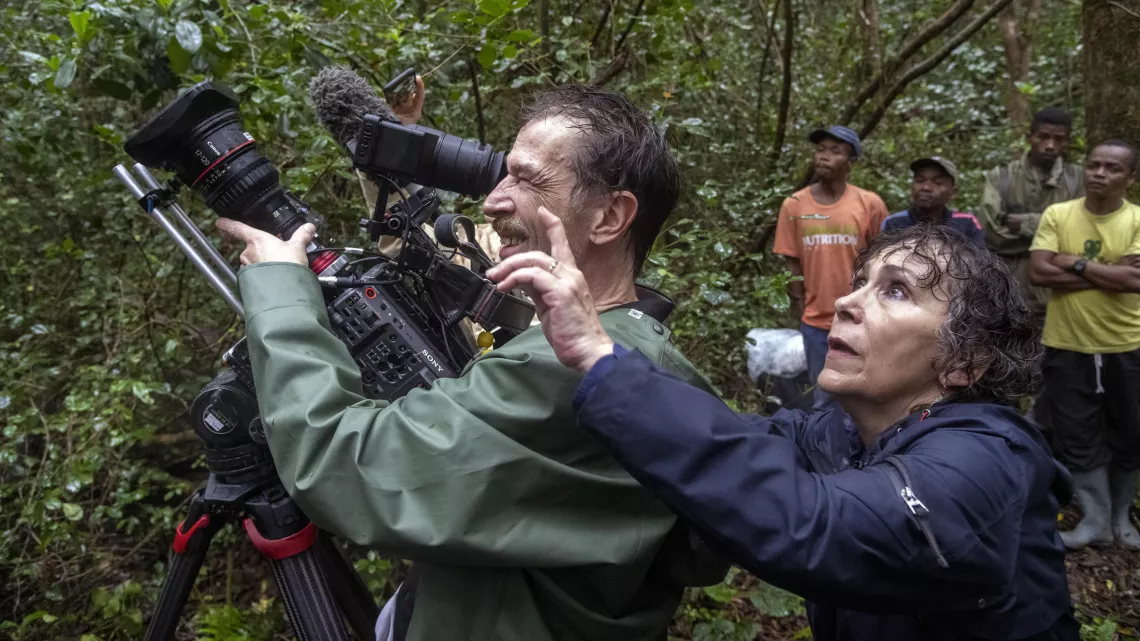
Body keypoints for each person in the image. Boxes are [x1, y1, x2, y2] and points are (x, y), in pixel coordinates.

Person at [215, 85, 728, 641]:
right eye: (501, 175)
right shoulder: (640, 355)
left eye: (528, 180)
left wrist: (280, 288)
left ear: (608, 216)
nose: (492, 200)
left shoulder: (569, 370)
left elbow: (346, 464)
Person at [489, 218, 1078, 641]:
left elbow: (819, 525)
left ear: (963, 362)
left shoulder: (988, 461)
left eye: (895, 291)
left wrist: (600, 357)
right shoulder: (837, 434)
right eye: (861, 282)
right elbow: (728, 445)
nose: (847, 303)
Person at [1029, 139, 1140, 551]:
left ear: (1130, 177)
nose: (1099, 174)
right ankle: (1095, 521)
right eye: (1094, 165)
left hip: (1127, 344)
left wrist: (1072, 262)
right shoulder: (1058, 214)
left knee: (1131, 430)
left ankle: (1120, 518)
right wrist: (1109, 273)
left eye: (1112, 168)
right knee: (1076, 431)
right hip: (1067, 343)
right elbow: (1039, 273)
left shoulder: (1137, 220)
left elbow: (1137, 282)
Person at [774, 125, 889, 411]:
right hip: (815, 323)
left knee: (864, 393)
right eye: (821, 150)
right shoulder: (795, 204)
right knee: (824, 397)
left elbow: (884, 259)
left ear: (850, 163)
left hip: (862, 317)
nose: (824, 157)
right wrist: (800, 307)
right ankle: (827, 453)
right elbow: (792, 262)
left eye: (835, 152)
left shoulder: (869, 204)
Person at [980, 107, 1084, 319]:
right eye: (1043, 137)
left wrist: (1025, 223)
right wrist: (1055, 238)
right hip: (1010, 293)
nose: (1050, 146)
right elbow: (993, 234)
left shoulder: (1079, 179)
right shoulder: (1001, 177)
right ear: (1030, 138)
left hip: (1062, 297)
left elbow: (1082, 235)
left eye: (1059, 139)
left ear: (1067, 143)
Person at [881, 156, 984, 245]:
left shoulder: (966, 223)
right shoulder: (895, 223)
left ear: (953, 192)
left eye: (938, 182)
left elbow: (980, 263)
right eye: (920, 181)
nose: (926, 187)